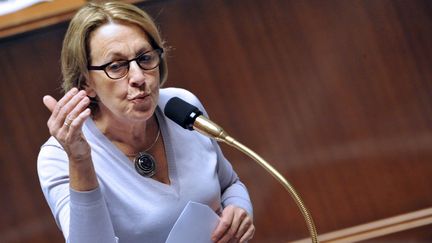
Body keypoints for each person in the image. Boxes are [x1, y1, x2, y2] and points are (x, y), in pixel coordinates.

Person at [37, 1, 255, 243]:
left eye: (144, 57)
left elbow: (230, 185)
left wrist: (240, 209)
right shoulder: (57, 156)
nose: (139, 77)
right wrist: (79, 160)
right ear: (86, 82)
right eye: (116, 66)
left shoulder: (180, 106)